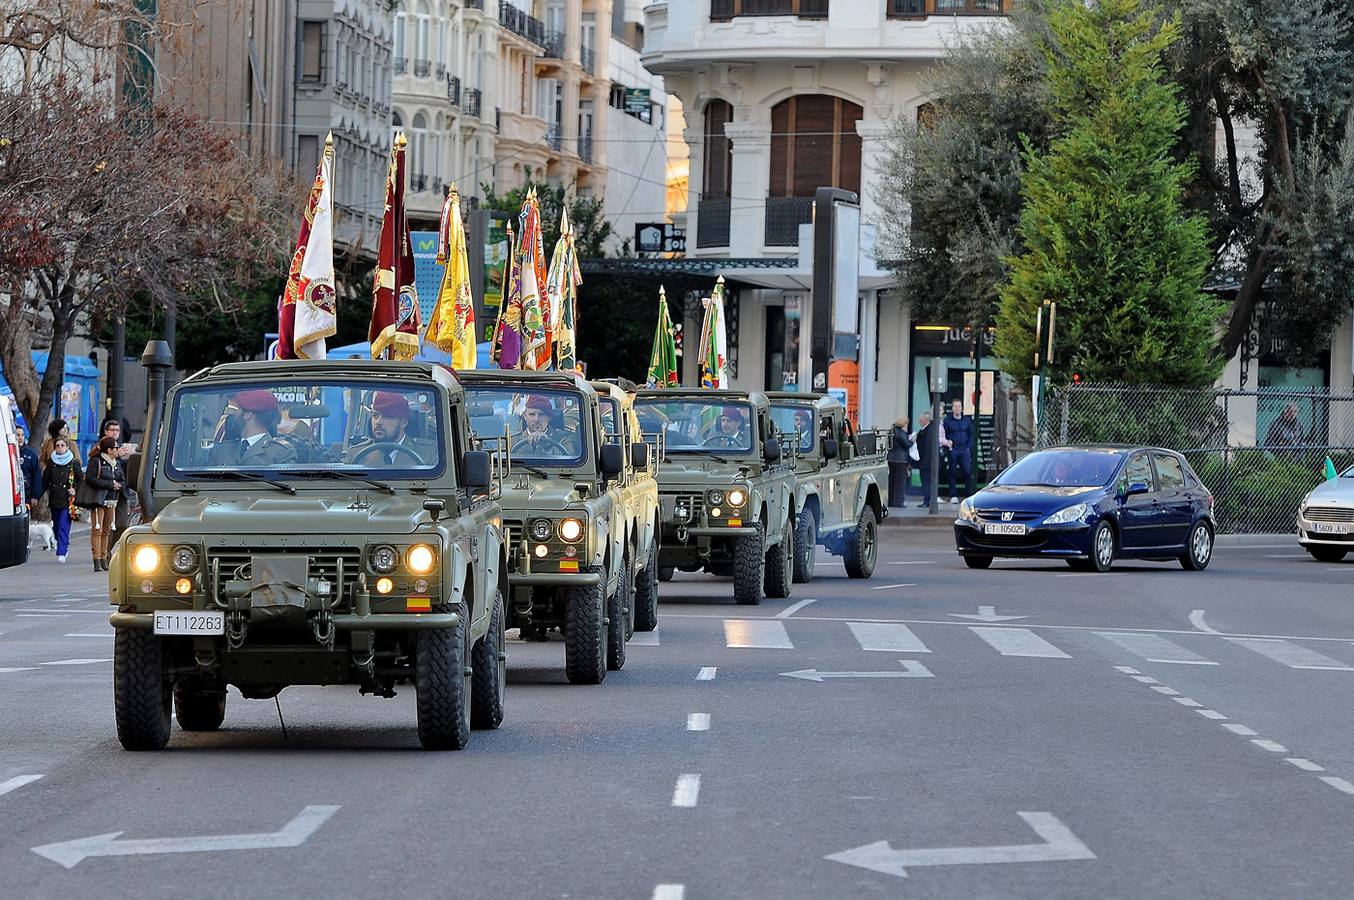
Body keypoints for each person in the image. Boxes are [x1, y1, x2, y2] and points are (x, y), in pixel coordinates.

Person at [208, 390, 299, 467]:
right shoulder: (220, 451)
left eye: (238, 409)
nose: (234, 415)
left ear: (248, 415)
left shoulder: (282, 453)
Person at [85, 436, 125, 571]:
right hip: (98, 500)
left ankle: (104, 558)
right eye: (116, 448)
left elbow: (123, 479)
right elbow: (90, 479)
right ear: (109, 450)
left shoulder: (116, 463)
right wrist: (109, 484)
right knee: (97, 530)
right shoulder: (96, 461)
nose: (118, 450)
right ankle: (96, 560)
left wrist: (120, 485)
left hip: (112, 500)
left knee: (107, 531)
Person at [43, 436, 83, 563]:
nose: (60, 448)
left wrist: (75, 489)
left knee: (63, 525)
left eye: (62, 445)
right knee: (56, 526)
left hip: (68, 500)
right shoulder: (51, 462)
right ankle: (63, 544)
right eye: (58, 446)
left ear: (67, 447)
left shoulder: (73, 462)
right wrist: (36, 496)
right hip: (54, 499)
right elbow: (45, 480)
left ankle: (62, 551)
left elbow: (81, 480)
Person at [944, 398, 974, 503]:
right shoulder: (947, 421)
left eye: (959, 406)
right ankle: (953, 495)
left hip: (964, 450)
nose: (957, 408)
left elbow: (971, 435)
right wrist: (948, 446)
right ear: (952, 408)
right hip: (953, 450)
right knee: (952, 472)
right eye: (955, 406)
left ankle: (969, 495)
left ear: (962, 408)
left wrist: (969, 447)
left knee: (967, 471)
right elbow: (945, 434)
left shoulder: (967, 420)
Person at [887, 416, 912, 510]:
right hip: (901, 460)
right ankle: (898, 502)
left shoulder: (892, 432)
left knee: (892, 481)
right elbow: (907, 444)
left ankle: (891, 501)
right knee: (900, 483)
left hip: (891, 459)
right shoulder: (901, 433)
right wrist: (912, 440)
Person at [16, 427, 41, 514]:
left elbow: (36, 476)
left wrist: (35, 496)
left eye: (22, 435)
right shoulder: (7, 453)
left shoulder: (31, 454)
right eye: (17, 435)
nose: (20, 438)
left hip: (26, 495)